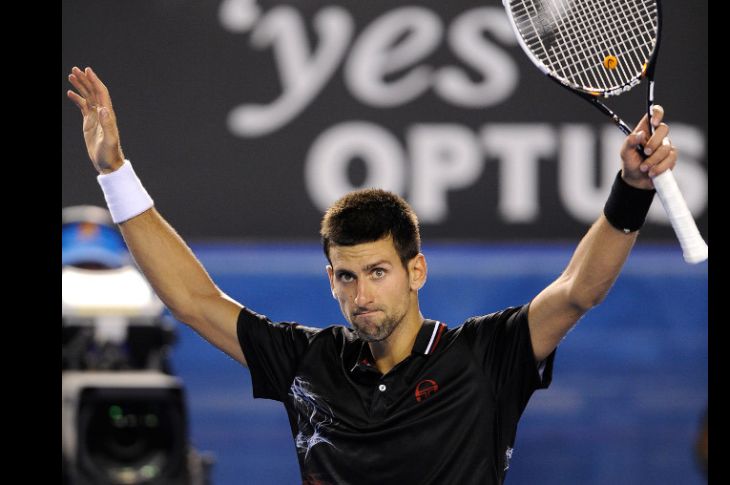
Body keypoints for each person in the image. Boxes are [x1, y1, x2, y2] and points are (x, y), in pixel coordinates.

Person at [66, 66, 677, 484]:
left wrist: (631, 190)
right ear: (330, 279)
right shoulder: (307, 361)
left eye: (378, 272)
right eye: (346, 277)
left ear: (417, 270)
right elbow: (194, 300)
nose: (361, 295)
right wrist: (114, 171)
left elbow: (579, 291)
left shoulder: (485, 356)